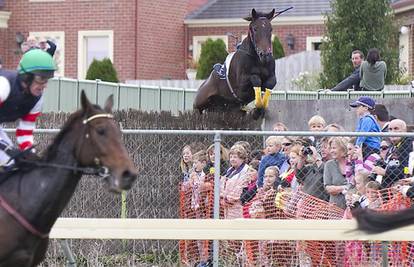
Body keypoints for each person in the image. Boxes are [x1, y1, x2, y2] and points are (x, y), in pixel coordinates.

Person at [0, 49, 56, 168]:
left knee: (11, 164)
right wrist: (7, 148)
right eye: (41, 79)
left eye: (47, 80)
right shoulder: (3, 85)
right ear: (27, 77)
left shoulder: (37, 99)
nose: (44, 85)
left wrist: (30, 154)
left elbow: (24, 132)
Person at [323, 137, 350, 209]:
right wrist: (345, 188)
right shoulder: (329, 165)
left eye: (334, 148)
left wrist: (337, 189)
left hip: (353, 206)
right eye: (331, 148)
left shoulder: (352, 163)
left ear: (343, 148)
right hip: (335, 207)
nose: (331, 151)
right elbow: (328, 188)